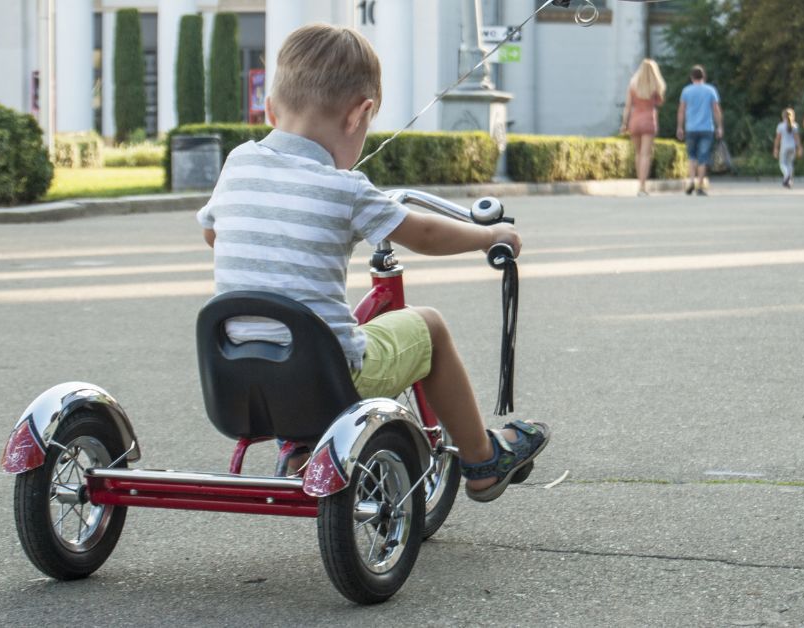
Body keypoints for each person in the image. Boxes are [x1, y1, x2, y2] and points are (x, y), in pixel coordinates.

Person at [195, 24, 549, 501]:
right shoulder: (347, 189)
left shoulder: (238, 162)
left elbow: (212, 233)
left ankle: (299, 448)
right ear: (359, 115)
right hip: (325, 378)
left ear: (270, 109)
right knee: (431, 327)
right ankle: (482, 458)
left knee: (281, 328)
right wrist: (489, 237)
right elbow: (422, 232)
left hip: (233, 382)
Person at [620, 59, 666, 197]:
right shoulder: (654, 86)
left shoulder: (632, 85)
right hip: (648, 120)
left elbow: (628, 106)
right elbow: (660, 102)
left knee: (638, 154)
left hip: (635, 120)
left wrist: (624, 123)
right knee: (646, 154)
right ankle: (642, 187)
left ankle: (639, 184)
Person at [676, 64, 723, 196]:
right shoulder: (710, 90)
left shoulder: (686, 91)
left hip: (691, 128)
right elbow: (716, 110)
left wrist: (680, 127)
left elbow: (681, 110)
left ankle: (691, 181)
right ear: (704, 77)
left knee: (692, 156)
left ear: (691, 77)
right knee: (703, 157)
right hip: (707, 128)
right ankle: (700, 185)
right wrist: (719, 127)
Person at [772, 107, 802, 188]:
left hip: (784, 146)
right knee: (790, 164)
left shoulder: (780, 126)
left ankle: (786, 175)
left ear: (783, 116)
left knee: (782, 163)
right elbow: (797, 138)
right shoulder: (795, 125)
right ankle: (789, 180)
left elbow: (778, 138)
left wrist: (775, 148)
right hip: (792, 146)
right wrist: (799, 147)